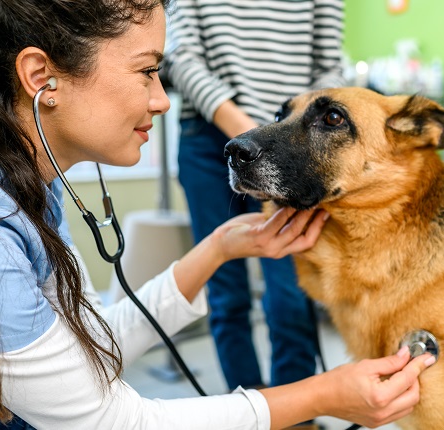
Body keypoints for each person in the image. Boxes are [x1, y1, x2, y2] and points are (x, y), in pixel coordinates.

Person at [0, 1, 434, 429]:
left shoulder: (20, 180)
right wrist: (318, 396)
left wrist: (220, 249)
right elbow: (106, 419)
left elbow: (86, 350)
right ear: (41, 78)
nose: (162, 97)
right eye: (147, 71)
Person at [163, 0, 348, 402]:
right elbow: (180, 56)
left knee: (293, 287)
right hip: (211, 133)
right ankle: (245, 404)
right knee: (226, 289)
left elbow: (329, 65)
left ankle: (296, 410)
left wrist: (287, 134)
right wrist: (250, 135)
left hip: (294, 137)